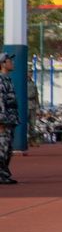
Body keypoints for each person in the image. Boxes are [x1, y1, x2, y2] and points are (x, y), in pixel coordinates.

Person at [0, 53, 19, 184]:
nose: (12, 63)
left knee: (8, 148)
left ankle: (4, 173)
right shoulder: (1, 80)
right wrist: (1, 121)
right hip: (4, 120)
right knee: (2, 147)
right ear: (2, 64)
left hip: (10, 119)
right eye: (9, 61)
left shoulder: (7, 79)